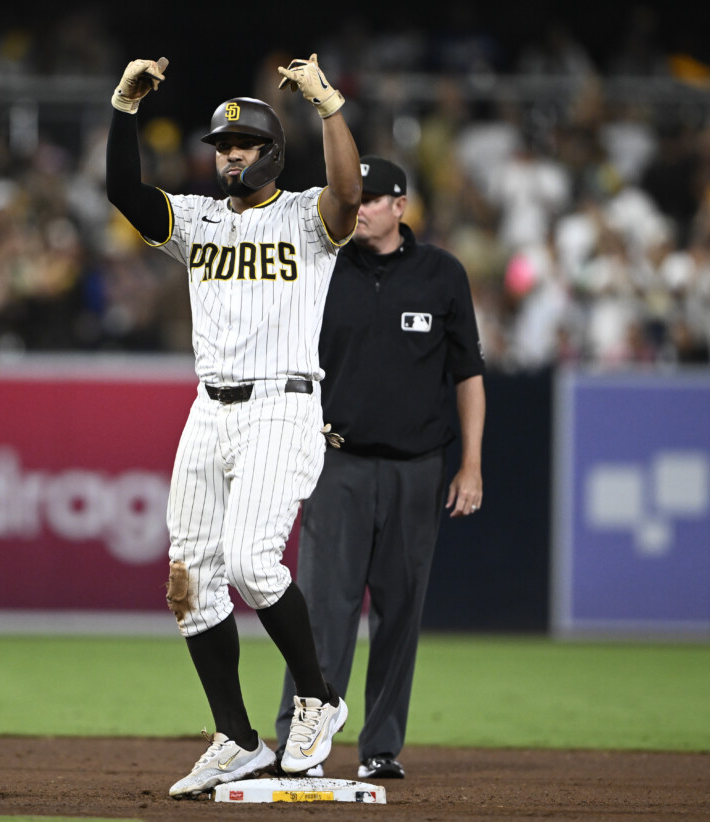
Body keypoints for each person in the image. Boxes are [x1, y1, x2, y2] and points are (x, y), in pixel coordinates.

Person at [106, 55, 362, 797]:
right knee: (189, 579)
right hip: (209, 407)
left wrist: (329, 107)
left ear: (271, 152)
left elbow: (348, 192)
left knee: (253, 563)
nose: (229, 156)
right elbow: (125, 190)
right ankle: (237, 738)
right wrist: (124, 108)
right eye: (221, 146)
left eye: (243, 145)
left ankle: (318, 699)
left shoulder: (307, 217)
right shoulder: (196, 218)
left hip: (284, 403)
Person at [273, 156, 486, 780]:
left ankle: (381, 748)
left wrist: (470, 464)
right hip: (335, 464)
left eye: (372, 197)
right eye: (354, 196)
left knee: (401, 609)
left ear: (401, 206)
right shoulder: (320, 264)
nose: (359, 205)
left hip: (417, 468)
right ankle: (299, 742)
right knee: (320, 612)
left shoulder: (442, 274)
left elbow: (468, 373)